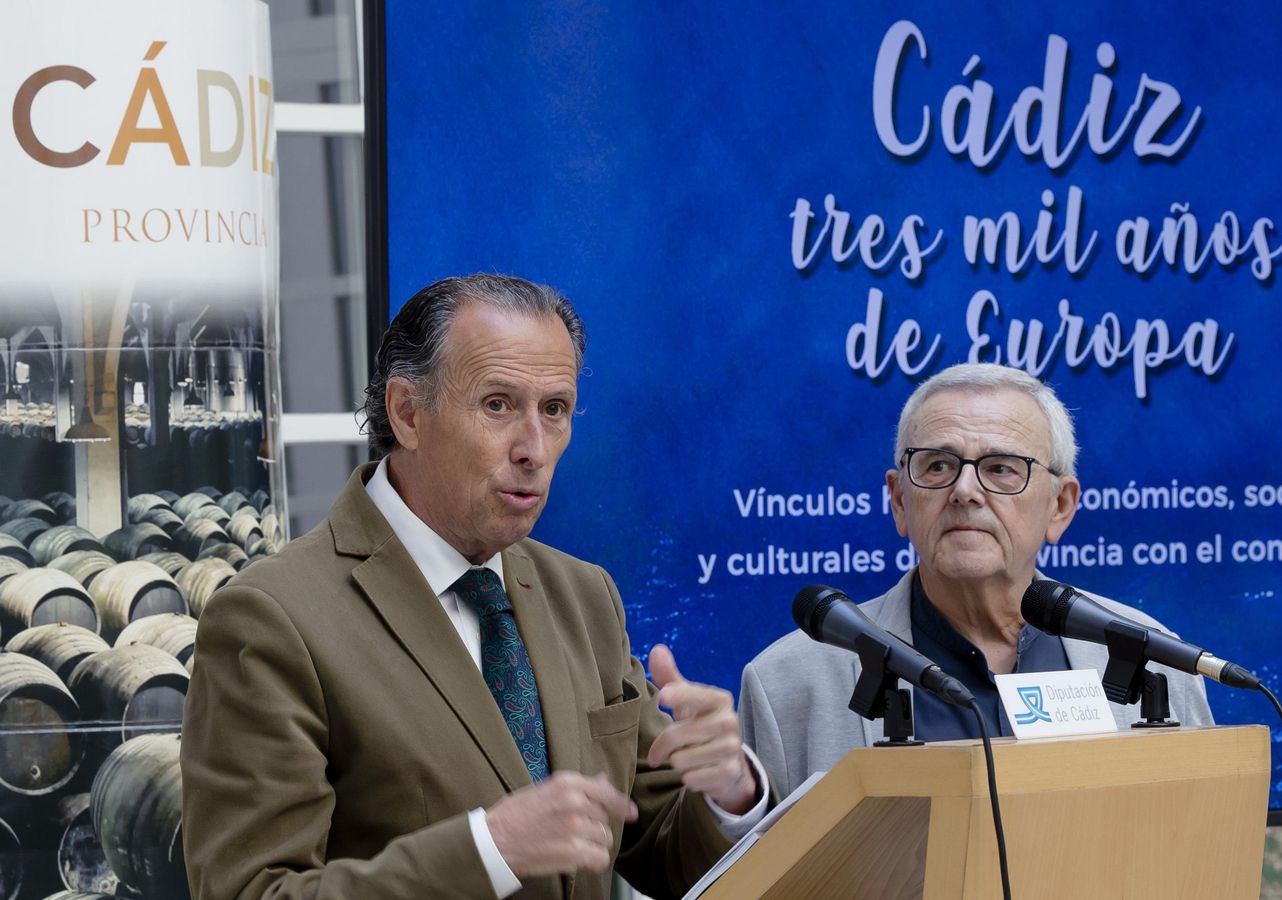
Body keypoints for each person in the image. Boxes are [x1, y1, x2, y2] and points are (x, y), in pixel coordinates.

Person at [182, 275, 767, 900]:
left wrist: (727, 792)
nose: (534, 450)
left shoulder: (586, 595)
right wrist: (488, 851)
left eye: (555, 410)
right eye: (498, 404)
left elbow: (663, 853)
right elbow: (252, 892)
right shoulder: (272, 617)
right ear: (407, 412)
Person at [738, 363, 1214, 798]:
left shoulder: (1156, 662)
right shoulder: (789, 682)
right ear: (900, 501)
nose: (965, 491)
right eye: (938, 466)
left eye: (1001, 468)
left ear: (1060, 506)